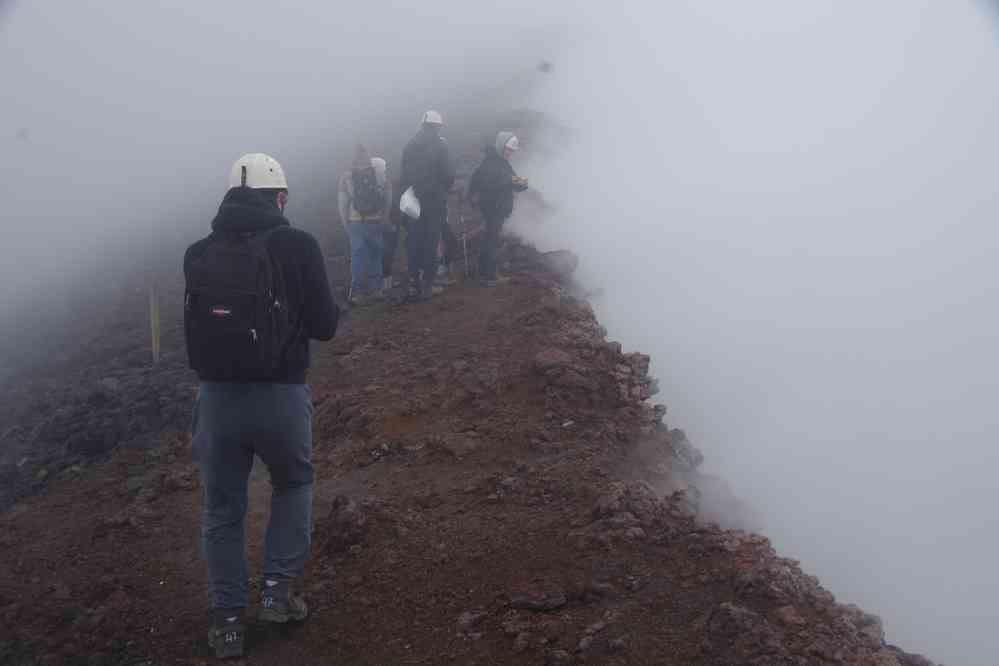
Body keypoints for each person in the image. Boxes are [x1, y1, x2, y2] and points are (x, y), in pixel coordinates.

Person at [183, 153, 339, 659]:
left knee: (222, 509)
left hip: (217, 400)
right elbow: (325, 326)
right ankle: (276, 593)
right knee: (293, 484)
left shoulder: (198, 252)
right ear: (279, 196)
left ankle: (227, 622)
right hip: (281, 396)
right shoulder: (298, 244)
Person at [400, 110, 455, 300]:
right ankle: (428, 284)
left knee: (414, 240)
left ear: (422, 124)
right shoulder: (441, 145)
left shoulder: (410, 145)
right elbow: (448, 174)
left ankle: (413, 283)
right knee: (432, 240)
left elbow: (404, 174)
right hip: (435, 200)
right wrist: (444, 188)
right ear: (438, 126)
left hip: (414, 201)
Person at [467, 132, 528, 286]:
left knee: (490, 237)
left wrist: (521, 183)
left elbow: (511, 180)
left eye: (512, 151)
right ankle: (490, 275)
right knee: (492, 239)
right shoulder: (491, 162)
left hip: (497, 207)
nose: (510, 153)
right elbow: (492, 182)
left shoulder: (501, 162)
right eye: (508, 150)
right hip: (493, 207)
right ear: (501, 147)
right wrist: (510, 180)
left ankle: (484, 271)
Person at [338, 144, 392, 306]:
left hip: (356, 222)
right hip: (375, 220)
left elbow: (342, 204)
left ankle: (357, 292)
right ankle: (377, 290)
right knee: (376, 254)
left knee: (358, 256)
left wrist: (345, 223)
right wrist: (385, 216)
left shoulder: (346, 176)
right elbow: (388, 197)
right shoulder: (379, 173)